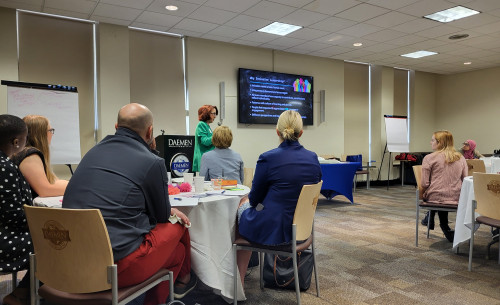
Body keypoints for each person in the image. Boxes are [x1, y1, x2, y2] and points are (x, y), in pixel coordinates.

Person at [62, 103, 196, 304]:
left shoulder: (92, 153)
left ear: (116, 127)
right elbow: (161, 216)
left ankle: (180, 280)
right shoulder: (151, 161)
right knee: (179, 228)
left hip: (70, 259)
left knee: (177, 251)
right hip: (114, 268)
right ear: (150, 131)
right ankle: (180, 284)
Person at [235, 110, 322, 286]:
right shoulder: (313, 158)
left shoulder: (268, 158)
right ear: (301, 133)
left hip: (277, 231)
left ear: (277, 132)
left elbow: (255, 199)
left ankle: (239, 282)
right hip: (302, 232)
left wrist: (248, 201)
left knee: (241, 208)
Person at [0, 114, 33, 305]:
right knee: (53, 241)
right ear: (16, 141)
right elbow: (13, 216)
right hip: (6, 239)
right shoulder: (5, 167)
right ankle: (21, 295)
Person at [420, 130, 467, 242]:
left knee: (435, 195)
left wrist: (425, 192)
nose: (430, 142)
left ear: (439, 142)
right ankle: (442, 225)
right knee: (441, 193)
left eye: (432, 140)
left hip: (435, 197)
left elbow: (424, 183)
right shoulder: (460, 157)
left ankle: (430, 216)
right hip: (456, 198)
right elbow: (465, 180)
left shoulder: (429, 158)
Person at [11, 115, 68, 198]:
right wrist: (78, 187)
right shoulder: (29, 155)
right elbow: (45, 190)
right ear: (41, 134)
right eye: (50, 130)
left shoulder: (22, 152)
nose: (52, 134)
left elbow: (52, 181)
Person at [192, 105, 218, 172]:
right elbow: (205, 141)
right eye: (213, 114)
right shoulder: (201, 124)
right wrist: (217, 135)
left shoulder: (207, 126)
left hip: (208, 158)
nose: (215, 116)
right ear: (206, 113)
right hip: (203, 159)